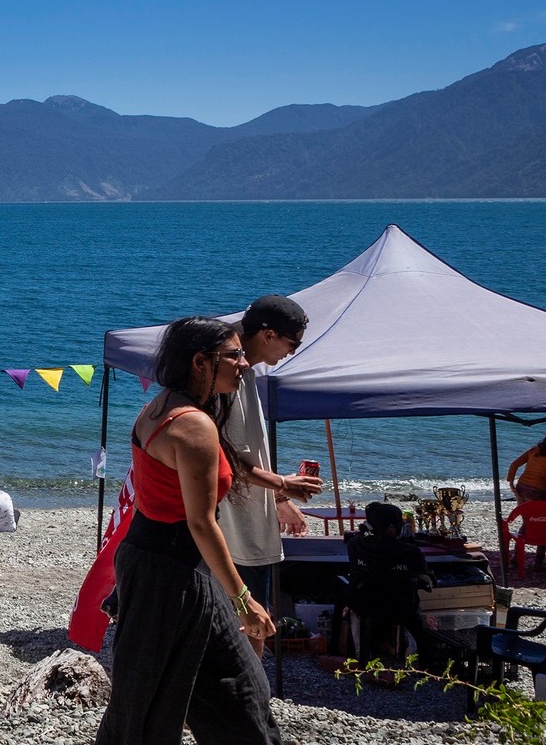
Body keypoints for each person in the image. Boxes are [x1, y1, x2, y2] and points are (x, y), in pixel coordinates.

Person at [96, 316, 279, 745]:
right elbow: (200, 522)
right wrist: (244, 599)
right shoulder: (192, 424)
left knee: (230, 686)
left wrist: (281, 485)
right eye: (234, 355)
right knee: (146, 704)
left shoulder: (160, 407)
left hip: (158, 562)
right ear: (201, 361)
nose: (245, 364)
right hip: (170, 572)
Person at [221, 296, 325, 614]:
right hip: (233, 531)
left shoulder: (246, 376)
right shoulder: (225, 383)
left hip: (247, 525)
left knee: (250, 628)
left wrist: (279, 500)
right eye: (291, 344)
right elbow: (219, 456)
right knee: (248, 628)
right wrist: (281, 485)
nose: (291, 353)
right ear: (268, 335)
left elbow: (243, 452)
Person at [343, 501, 436, 661]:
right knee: (416, 608)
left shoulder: (355, 545)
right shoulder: (411, 552)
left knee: (355, 603)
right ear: (393, 528)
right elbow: (428, 580)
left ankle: (361, 655)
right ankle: (416, 657)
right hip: (403, 607)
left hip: (366, 605)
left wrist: (365, 530)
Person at [509, 430, 546, 504]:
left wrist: (511, 484)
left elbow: (514, 465)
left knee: (526, 513)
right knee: (543, 514)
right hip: (537, 491)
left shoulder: (534, 450)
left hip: (521, 487)